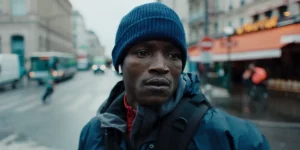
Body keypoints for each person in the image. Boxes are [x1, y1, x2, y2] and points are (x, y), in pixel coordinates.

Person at [79, 3, 269, 150]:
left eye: (173, 56)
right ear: (120, 63)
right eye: (143, 53)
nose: (161, 67)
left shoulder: (238, 139)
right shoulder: (93, 133)